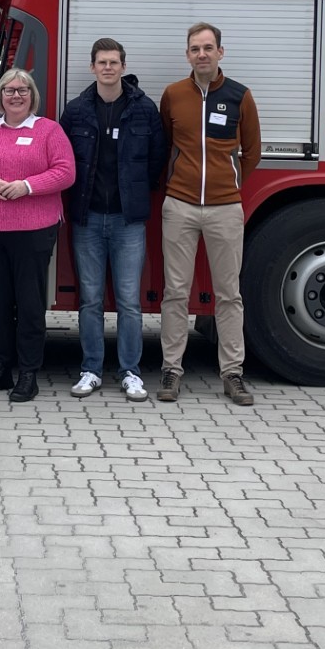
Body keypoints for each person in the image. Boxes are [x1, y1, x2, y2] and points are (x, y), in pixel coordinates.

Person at [0, 68, 75, 404]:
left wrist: (27, 186)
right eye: (9, 90)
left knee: (29, 303)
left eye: (23, 90)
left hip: (34, 230)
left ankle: (28, 373)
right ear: (0, 96)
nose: (16, 96)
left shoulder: (48, 130)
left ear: (32, 95)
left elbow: (66, 171)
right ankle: (1, 367)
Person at [158, 22, 260, 407]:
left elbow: (252, 151)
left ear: (220, 52)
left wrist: (227, 185)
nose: (201, 54)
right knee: (175, 293)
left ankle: (232, 374)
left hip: (224, 208)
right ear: (187, 55)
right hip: (180, 204)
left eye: (208, 47)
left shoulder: (239, 96)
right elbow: (165, 145)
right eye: (195, 48)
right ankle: (171, 370)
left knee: (228, 294)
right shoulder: (173, 95)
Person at [60, 38, 167, 402]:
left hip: (127, 220)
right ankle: (91, 369)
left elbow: (157, 160)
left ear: (123, 66)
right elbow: (66, 162)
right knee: (90, 300)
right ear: (92, 68)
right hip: (87, 219)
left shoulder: (144, 109)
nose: (108, 68)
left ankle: (130, 372)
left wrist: (135, 194)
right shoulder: (76, 111)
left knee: (128, 301)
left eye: (114, 62)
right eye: (102, 62)